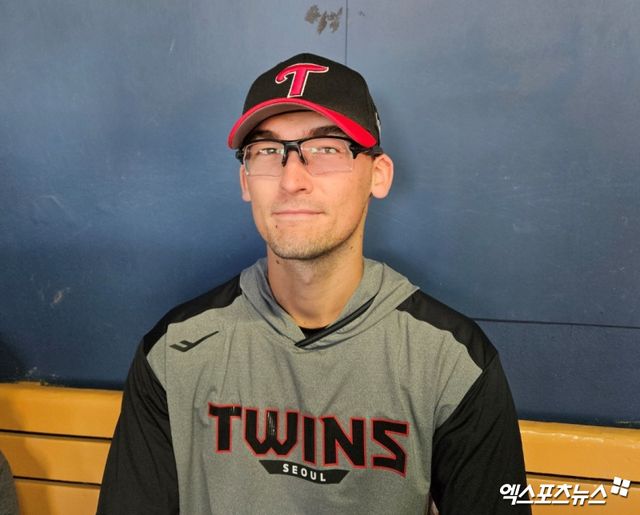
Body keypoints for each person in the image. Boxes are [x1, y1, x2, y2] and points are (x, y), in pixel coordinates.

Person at [98, 53, 530, 514]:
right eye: (268, 152)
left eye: (326, 149)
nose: (291, 179)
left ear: (378, 175)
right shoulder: (175, 351)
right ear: (245, 180)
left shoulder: (454, 361)